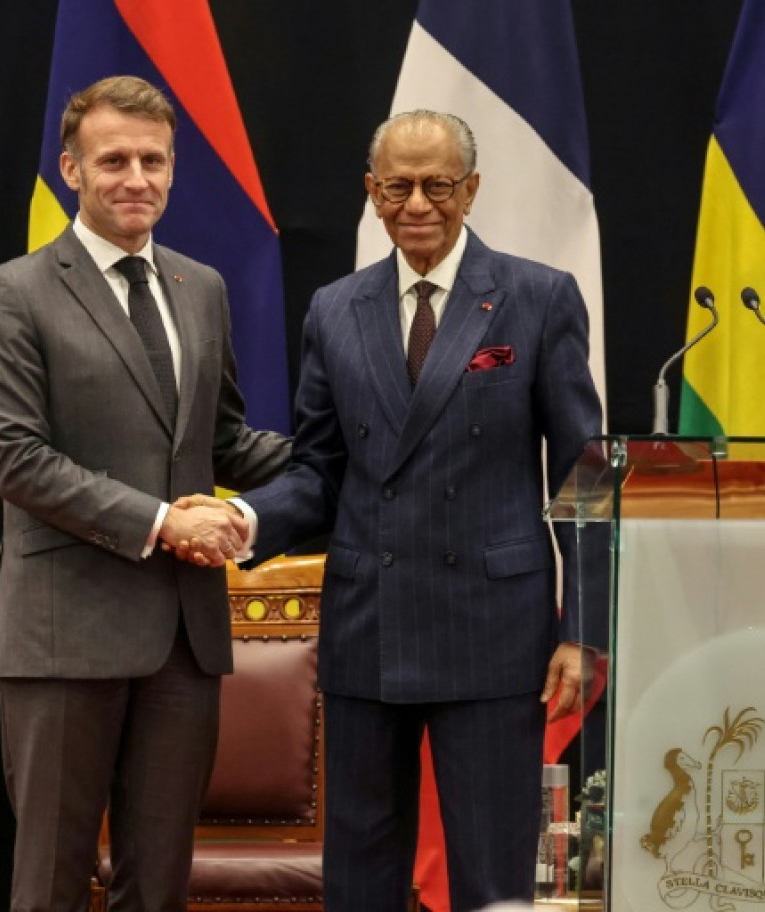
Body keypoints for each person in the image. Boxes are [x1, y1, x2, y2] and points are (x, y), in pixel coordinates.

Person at [225, 109, 603, 912]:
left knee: (493, 877)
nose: (418, 204)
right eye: (398, 187)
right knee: (359, 874)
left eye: (438, 185)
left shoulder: (538, 298)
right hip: (371, 623)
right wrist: (246, 521)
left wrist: (584, 630)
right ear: (372, 192)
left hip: (495, 630)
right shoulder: (335, 308)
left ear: (472, 189)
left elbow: (587, 478)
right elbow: (320, 471)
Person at [0, 75, 288, 912]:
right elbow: (16, 458)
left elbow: (221, 443)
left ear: (174, 169)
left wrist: (356, 455)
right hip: (62, 635)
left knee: (159, 886)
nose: (137, 178)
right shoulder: (12, 291)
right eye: (114, 161)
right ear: (72, 170)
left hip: (183, 638)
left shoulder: (200, 287)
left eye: (154, 160)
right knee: (50, 883)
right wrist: (161, 521)